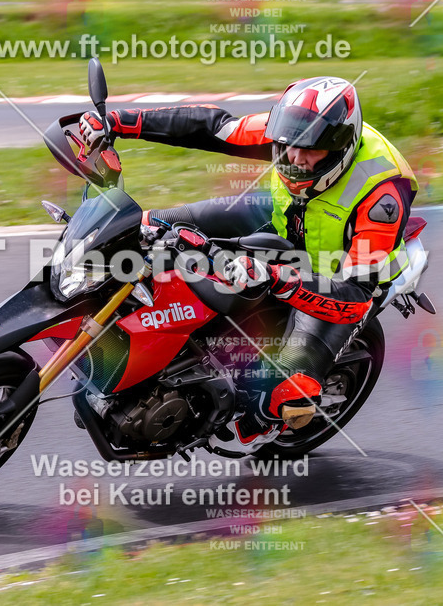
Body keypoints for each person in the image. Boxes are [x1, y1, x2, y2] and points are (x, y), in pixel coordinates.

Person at [79, 76, 418, 455]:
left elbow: (354, 298)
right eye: (287, 147)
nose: (293, 159)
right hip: (286, 218)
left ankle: (262, 423)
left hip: (339, 278)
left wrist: (278, 278)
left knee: (285, 397)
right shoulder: (292, 132)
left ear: (340, 147)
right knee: (146, 225)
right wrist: (120, 122)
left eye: (310, 153)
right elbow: (213, 127)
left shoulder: (382, 196)